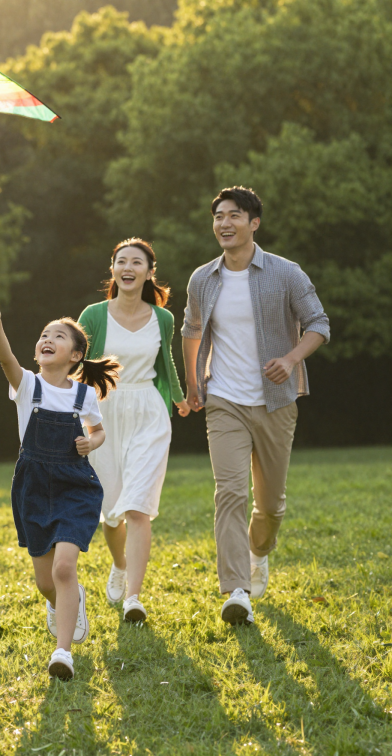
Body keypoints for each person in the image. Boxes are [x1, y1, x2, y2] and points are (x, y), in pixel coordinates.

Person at [181, 186, 330, 625]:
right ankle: (237, 590)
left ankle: (258, 552)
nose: (224, 223)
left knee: (270, 506)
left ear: (254, 223)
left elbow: (318, 323)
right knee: (228, 493)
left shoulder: (285, 273)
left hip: (276, 402)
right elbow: (192, 330)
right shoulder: (202, 279)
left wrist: (290, 358)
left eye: (234, 216)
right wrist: (194, 382)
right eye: (218, 216)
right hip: (224, 399)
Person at [0, 302, 119, 680]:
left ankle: (63, 652)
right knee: (46, 581)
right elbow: (5, 358)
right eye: (44, 335)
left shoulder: (84, 395)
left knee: (63, 568)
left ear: (75, 355)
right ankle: (70, 604)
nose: (47, 339)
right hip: (34, 488)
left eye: (57, 336)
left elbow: (98, 430)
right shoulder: (27, 385)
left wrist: (93, 443)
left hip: (75, 486)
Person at [78, 239, 190, 624]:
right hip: (104, 412)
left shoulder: (163, 318)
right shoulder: (93, 315)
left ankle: (134, 598)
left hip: (148, 412)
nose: (128, 267)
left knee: (138, 507)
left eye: (136, 262)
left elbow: (167, 361)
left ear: (148, 272)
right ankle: (119, 564)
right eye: (121, 261)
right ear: (113, 270)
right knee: (111, 513)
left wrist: (180, 397)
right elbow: (77, 365)